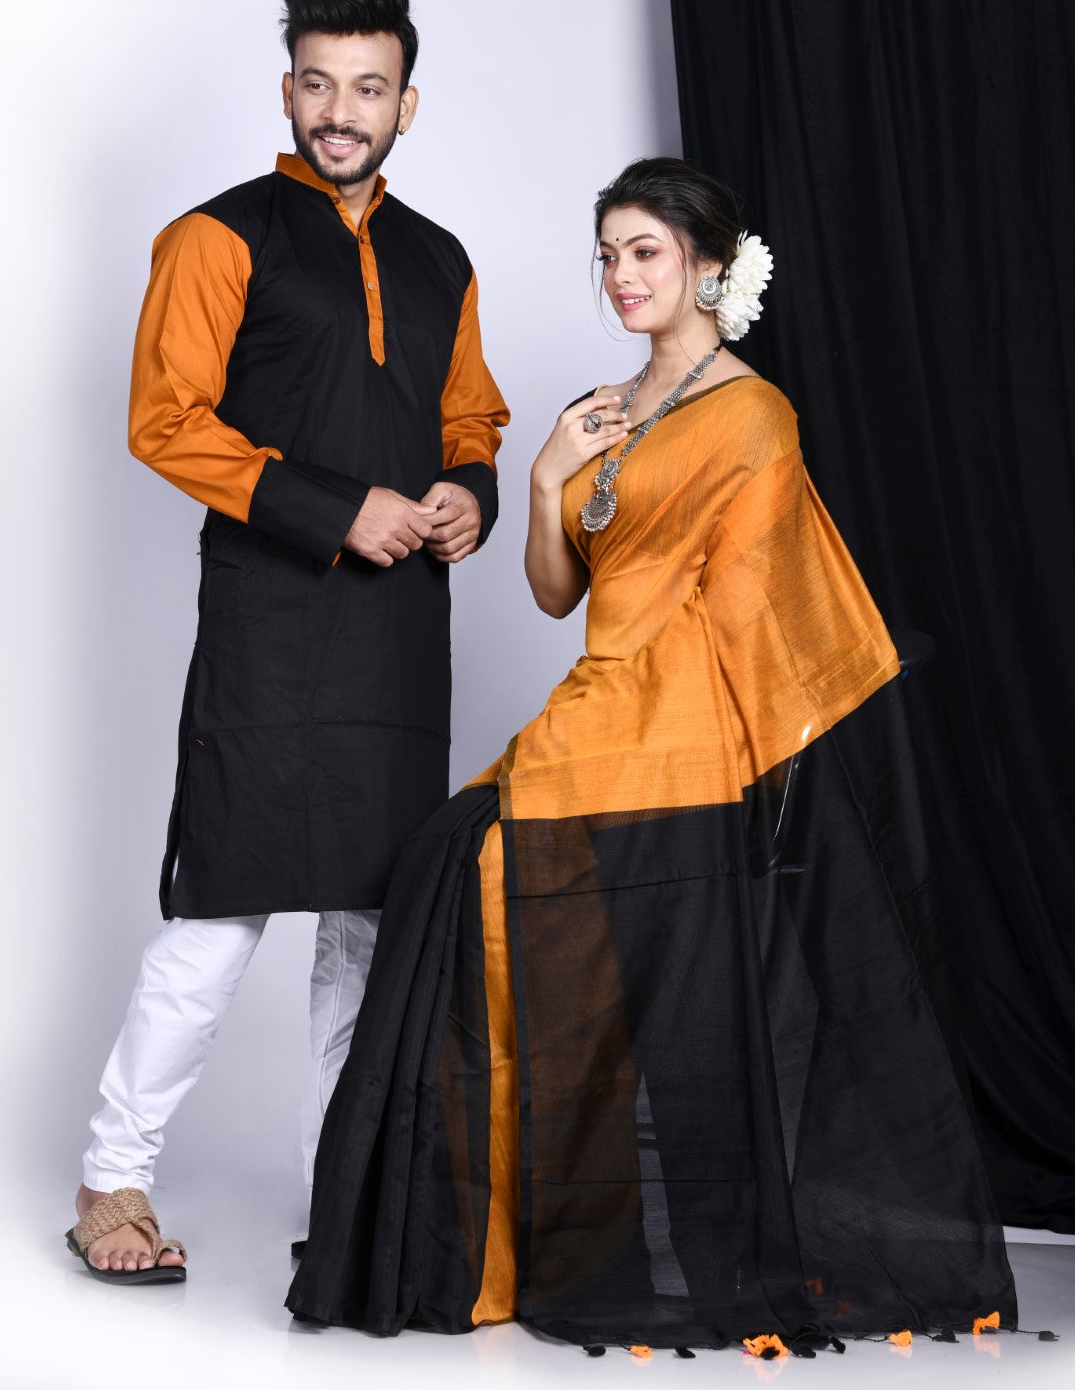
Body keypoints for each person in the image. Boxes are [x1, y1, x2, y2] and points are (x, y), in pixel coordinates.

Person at [286, 157, 1016, 1352]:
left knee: (473, 873)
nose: (622, 277)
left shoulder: (754, 415)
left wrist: (698, 744)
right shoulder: (607, 409)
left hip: (672, 730)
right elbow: (556, 590)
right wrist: (545, 476)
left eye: (646, 253)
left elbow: (742, 609)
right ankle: (474, 1243)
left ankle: (530, 1241)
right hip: (600, 698)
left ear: (710, 267)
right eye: (609, 255)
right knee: (450, 876)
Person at [66, 0, 509, 1283]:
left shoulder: (440, 259)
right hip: (270, 624)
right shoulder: (218, 237)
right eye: (318, 83)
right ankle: (111, 1180)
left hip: (397, 635)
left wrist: (468, 492)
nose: (340, 110)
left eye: (368, 87)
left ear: (406, 104)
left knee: (371, 927)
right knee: (220, 909)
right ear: (287, 91)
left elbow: (470, 415)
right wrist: (334, 507)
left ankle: (349, 1194)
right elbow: (165, 421)